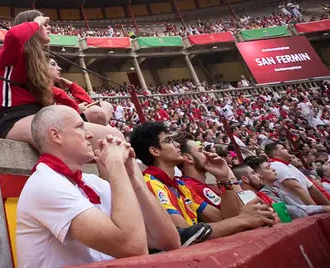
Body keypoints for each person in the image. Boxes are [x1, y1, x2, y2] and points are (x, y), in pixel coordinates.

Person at [16, 106, 179, 268]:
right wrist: (115, 165)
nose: (90, 134)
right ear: (56, 135)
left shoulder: (92, 182)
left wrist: (133, 179)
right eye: (80, 127)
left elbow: (169, 241)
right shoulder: (46, 184)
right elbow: (134, 247)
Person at [0, 10, 114, 147]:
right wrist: (37, 22)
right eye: (44, 24)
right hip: (13, 118)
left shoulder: (34, 62)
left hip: (38, 116)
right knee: (107, 133)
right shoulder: (11, 53)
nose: (48, 27)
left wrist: (73, 90)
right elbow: (14, 35)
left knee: (109, 125)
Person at [129, 121, 274, 240]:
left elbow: (222, 218)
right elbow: (187, 234)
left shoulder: (180, 185)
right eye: (168, 141)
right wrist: (244, 219)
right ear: (155, 151)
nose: (177, 145)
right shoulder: (151, 183)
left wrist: (223, 179)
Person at [239, 157, 330, 219]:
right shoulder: (264, 193)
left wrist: (324, 208)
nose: (273, 170)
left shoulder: (275, 189)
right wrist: (322, 208)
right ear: (259, 174)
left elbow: (297, 208)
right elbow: (292, 212)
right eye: (268, 168)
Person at [172, 132, 243, 218]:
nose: (207, 154)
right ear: (188, 158)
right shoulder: (193, 187)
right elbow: (234, 216)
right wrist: (226, 175)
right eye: (200, 151)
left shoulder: (199, 183)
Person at [265, 142, 330, 206]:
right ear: (276, 152)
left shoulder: (289, 165)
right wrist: (316, 209)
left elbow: (311, 187)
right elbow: (296, 187)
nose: (287, 150)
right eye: (283, 148)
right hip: (303, 210)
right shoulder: (276, 165)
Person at [47, 58, 109, 125]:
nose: (59, 68)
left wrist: (72, 85)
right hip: (66, 126)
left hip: (73, 122)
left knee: (106, 105)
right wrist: (77, 108)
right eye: (53, 64)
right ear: (41, 68)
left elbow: (88, 102)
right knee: (97, 112)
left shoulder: (56, 90)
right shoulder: (49, 91)